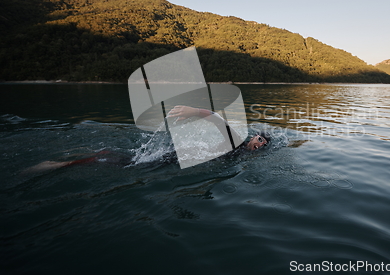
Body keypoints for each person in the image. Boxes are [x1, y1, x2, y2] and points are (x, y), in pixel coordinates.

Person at [24, 105, 270, 173]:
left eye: (263, 145)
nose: (260, 144)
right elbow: (217, 118)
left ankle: (82, 155)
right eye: (260, 138)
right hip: (177, 157)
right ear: (253, 136)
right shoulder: (237, 141)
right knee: (128, 165)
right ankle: (61, 165)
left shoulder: (243, 155)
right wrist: (194, 112)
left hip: (182, 157)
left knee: (127, 159)